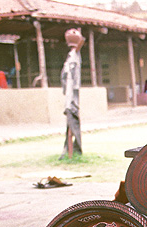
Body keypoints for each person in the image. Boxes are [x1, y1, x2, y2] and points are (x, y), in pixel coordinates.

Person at [60, 28, 85, 159]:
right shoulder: (72, 57)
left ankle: (75, 151)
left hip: (72, 99)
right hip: (70, 98)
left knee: (73, 125)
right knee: (70, 127)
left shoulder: (74, 58)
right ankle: (69, 150)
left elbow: (71, 82)